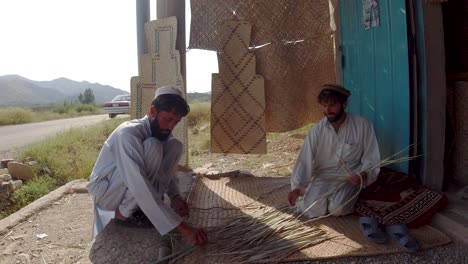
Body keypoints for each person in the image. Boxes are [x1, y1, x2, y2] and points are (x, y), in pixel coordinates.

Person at [86, 86, 207, 246]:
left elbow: (167, 174)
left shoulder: (163, 134)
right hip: (109, 194)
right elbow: (137, 182)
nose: (171, 127)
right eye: (168, 119)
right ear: (152, 111)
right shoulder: (128, 133)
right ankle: (124, 213)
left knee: (175, 145)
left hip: (131, 192)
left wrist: (175, 196)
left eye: (175, 122)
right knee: (153, 146)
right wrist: (181, 227)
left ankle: (141, 209)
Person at [287, 84, 380, 218]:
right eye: (324, 105)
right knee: (312, 209)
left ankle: (340, 200)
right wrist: (297, 188)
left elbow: (371, 156)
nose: (328, 110)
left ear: (344, 104)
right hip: (323, 176)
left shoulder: (362, 125)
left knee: (338, 209)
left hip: (350, 176)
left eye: (332, 105)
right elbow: (304, 159)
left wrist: (363, 175)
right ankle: (314, 198)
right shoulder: (317, 130)